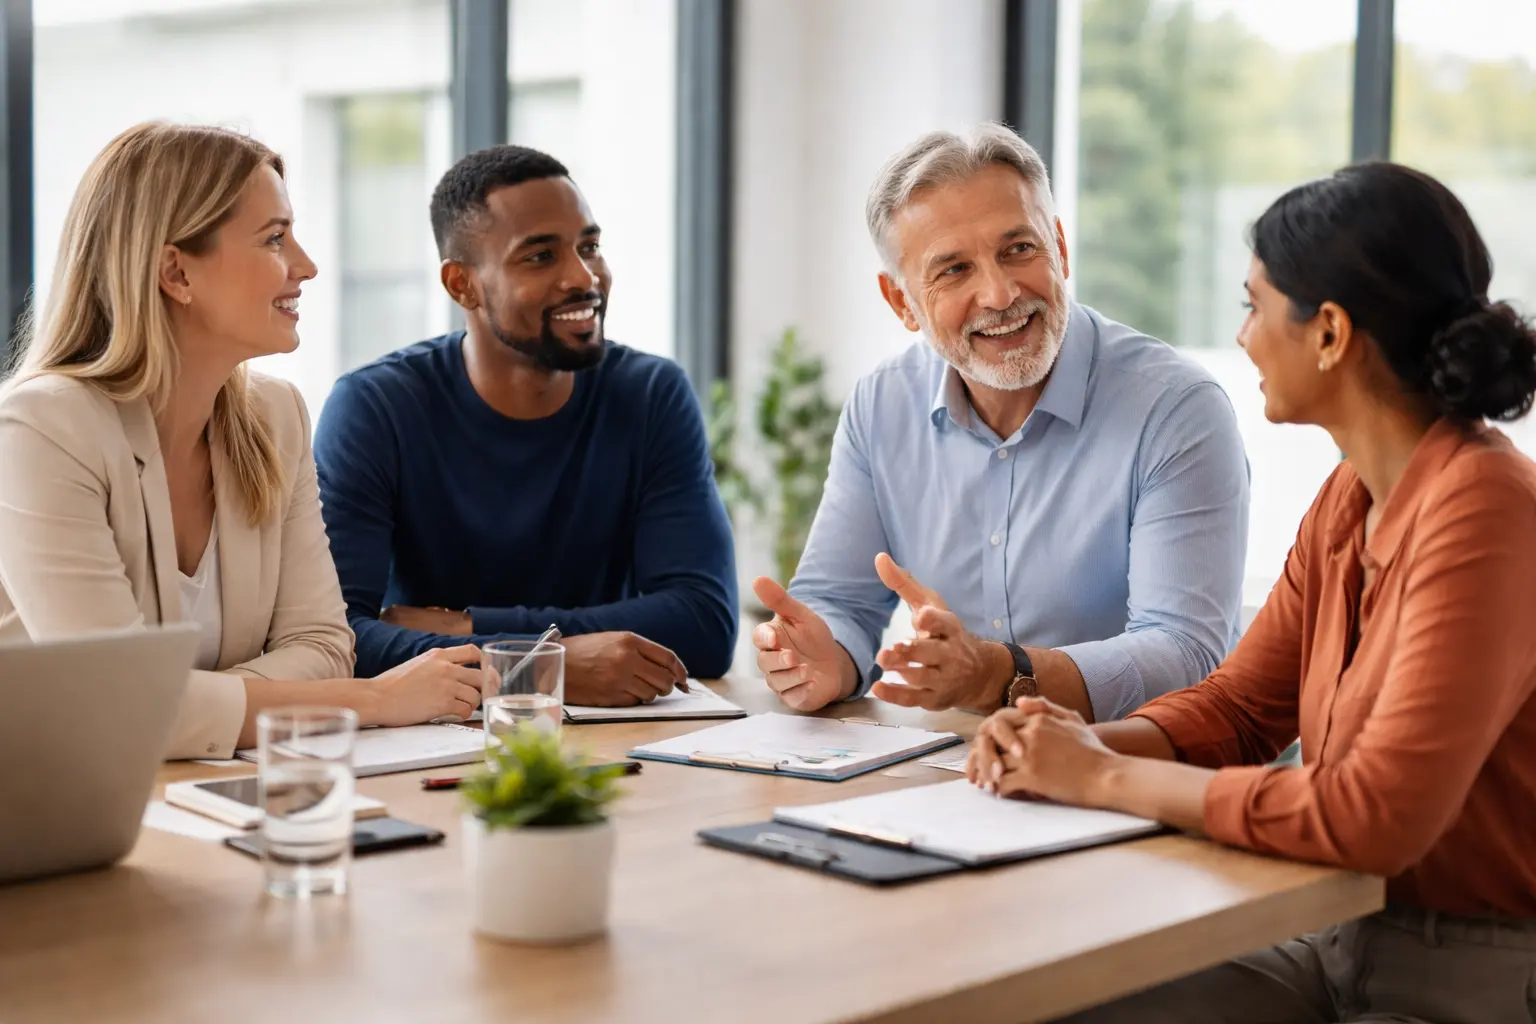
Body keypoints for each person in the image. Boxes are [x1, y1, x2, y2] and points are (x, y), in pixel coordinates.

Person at [970, 162, 1536, 1024]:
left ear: (1331, 332)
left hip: (1472, 975)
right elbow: (1241, 712)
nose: (1241, 337)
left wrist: (1102, 780)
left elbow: (1372, 816)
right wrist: (1074, 742)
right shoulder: (1351, 498)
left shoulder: (1487, 512)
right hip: (1334, 932)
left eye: (1255, 305)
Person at [0, 123, 484, 760]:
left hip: (209, 787)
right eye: (275, 239)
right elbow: (119, 706)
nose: (305, 266)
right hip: (57, 818)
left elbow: (324, 645)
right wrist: (374, 699)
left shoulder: (275, 415)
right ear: (176, 271)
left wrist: (180, 704)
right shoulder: (40, 429)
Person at [753, 123, 1249, 722]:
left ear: (1060, 249)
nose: (999, 293)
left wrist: (999, 674)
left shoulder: (1176, 408)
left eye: (1019, 249)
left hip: (1132, 772)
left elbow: (1185, 652)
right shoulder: (881, 406)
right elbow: (838, 601)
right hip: (953, 771)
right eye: (954, 270)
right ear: (902, 303)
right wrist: (824, 660)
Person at [313, 145, 737, 703]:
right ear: (460, 284)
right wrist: (541, 668)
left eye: (589, 247)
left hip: (622, 740)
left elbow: (704, 624)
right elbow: (338, 643)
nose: (583, 277)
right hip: (433, 738)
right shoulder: (375, 407)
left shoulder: (651, 394)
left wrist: (470, 626)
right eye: (540, 256)